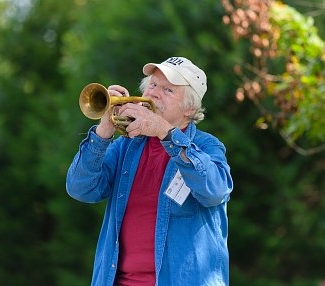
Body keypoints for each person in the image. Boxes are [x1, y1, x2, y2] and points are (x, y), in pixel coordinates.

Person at [66, 56, 234, 286]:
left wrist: (165, 132)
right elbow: (80, 189)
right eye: (152, 85)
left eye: (168, 90)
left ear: (190, 108)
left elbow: (214, 191)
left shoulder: (208, 146)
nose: (154, 93)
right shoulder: (125, 145)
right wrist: (103, 130)